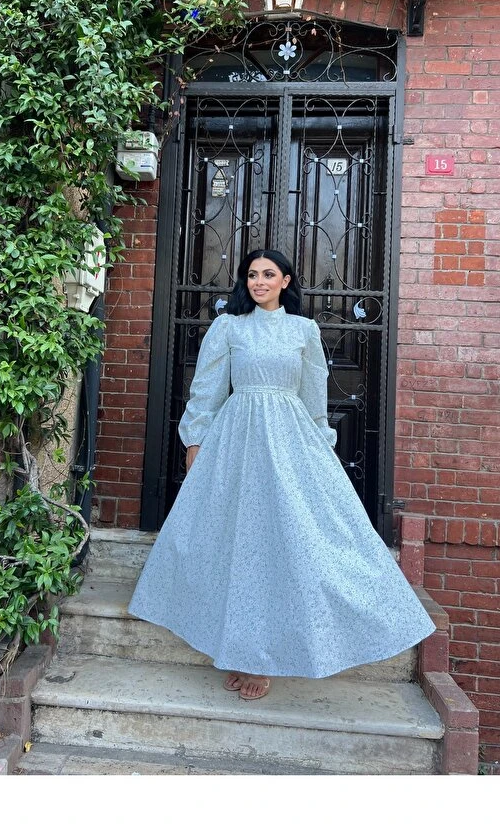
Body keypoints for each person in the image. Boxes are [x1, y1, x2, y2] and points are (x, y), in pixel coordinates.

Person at [128, 249, 436, 700]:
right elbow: (206, 389)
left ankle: (267, 656)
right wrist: (195, 442)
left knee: (285, 541)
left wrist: (322, 444)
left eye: (268, 274)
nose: (259, 281)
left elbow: (314, 397)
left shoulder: (304, 330)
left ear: (285, 281)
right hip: (236, 442)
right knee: (238, 543)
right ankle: (240, 651)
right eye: (252, 274)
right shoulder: (229, 327)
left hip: (291, 444)